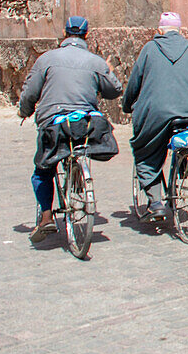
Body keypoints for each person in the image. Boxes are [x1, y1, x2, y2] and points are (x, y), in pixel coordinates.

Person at [18, 15, 123, 242]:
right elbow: (114, 90)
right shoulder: (95, 62)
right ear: (86, 35)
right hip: (85, 123)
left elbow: (30, 92)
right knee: (78, 147)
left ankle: (46, 217)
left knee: (43, 169)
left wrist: (24, 111)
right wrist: (106, 70)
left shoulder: (46, 59)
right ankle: (79, 179)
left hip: (54, 122)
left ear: (65, 33)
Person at [123, 12, 188, 219]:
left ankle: (155, 202)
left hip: (157, 111)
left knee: (146, 151)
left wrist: (127, 105)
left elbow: (135, 82)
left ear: (160, 31)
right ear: (179, 31)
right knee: (183, 130)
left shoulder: (150, 48)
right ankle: (183, 164)